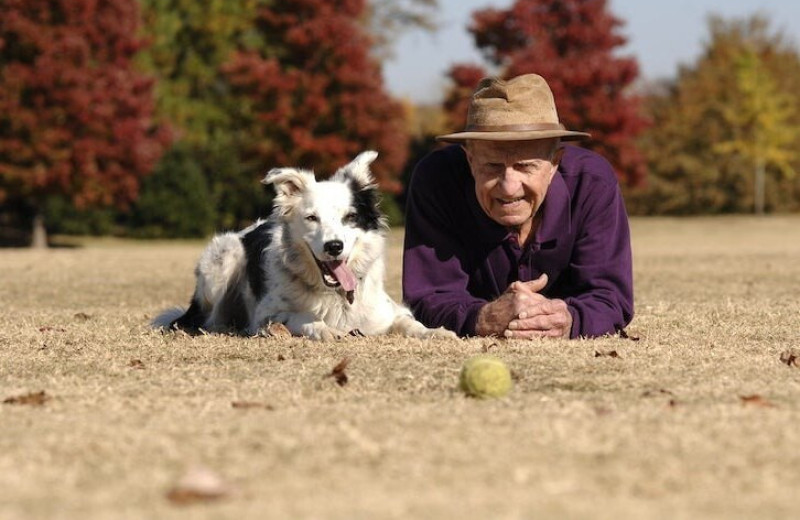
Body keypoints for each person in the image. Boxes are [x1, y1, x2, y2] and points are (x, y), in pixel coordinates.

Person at [402, 73, 633, 339]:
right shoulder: (436, 180)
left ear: (554, 163)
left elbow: (610, 298)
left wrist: (569, 319)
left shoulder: (593, 183)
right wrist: (483, 318)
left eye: (525, 166)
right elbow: (427, 298)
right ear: (470, 159)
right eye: (492, 166)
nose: (509, 186)